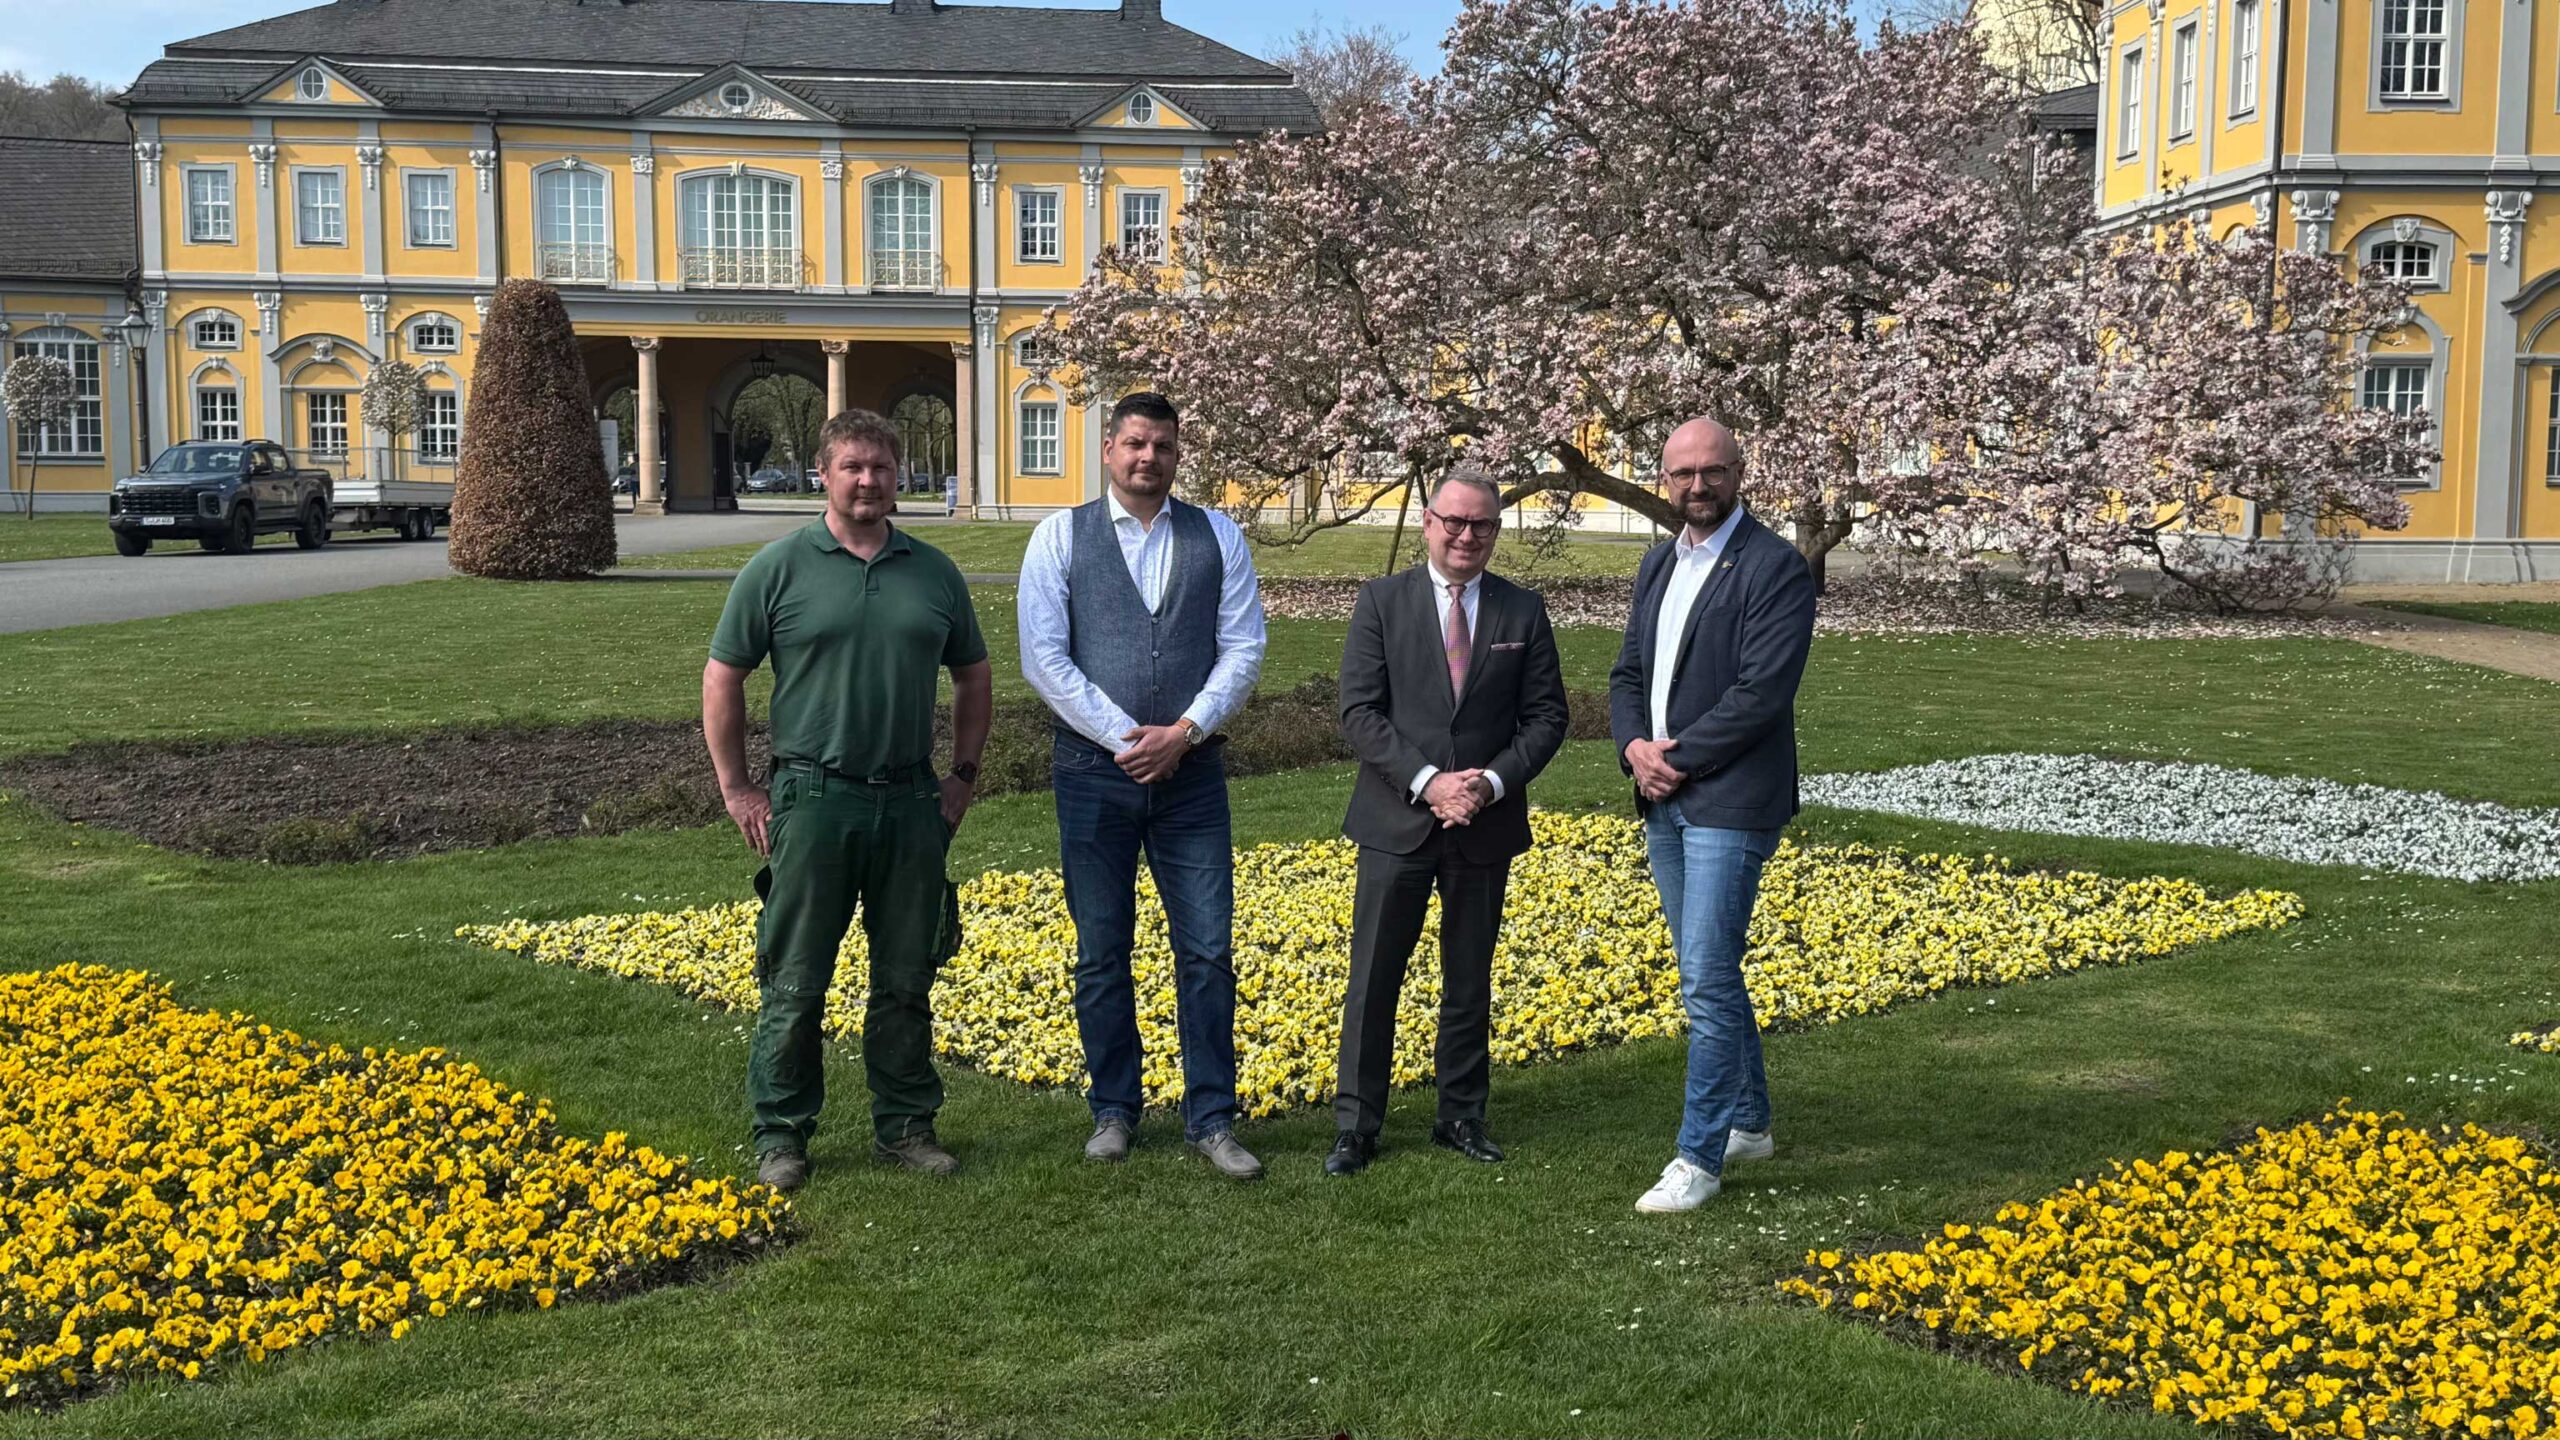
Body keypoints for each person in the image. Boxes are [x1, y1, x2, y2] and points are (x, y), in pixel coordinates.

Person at [704, 408, 993, 1193]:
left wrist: (962, 776)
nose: (868, 481)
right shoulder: (778, 568)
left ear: (898, 476)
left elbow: (973, 675)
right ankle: (782, 1134)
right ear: (823, 475)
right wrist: (738, 788)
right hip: (813, 799)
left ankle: (906, 1125)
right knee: (795, 979)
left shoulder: (933, 573)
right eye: (852, 467)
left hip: (910, 800)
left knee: (906, 976)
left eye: (881, 467)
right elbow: (724, 677)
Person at [1017, 391, 1269, 1179]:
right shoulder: (1060, 536)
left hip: (1192, 776)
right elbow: (1044, 658)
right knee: (1102, 949)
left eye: (1161, 445)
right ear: (1108, 449)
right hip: (1094, 774)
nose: (1146, 458)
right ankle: (1114, 1109)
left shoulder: (1217, 534)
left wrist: (1184, 733)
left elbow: (1244, 646)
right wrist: (1130, 740)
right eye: (1133, 443)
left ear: (1176, 453)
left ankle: (1212, 1118)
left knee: (1208, 950)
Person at [1325, 464, 1569, 1177]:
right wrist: (1430, 783)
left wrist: (1488, 784)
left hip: (1483, 825)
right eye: (1454, 521)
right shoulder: (1381, 601)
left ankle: (1460, 1115)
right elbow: (1359, 712)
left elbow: (1547, 717)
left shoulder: (1523, 611)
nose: (1466, 535)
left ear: (1496, 531)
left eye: (1481, 524)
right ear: (1428, 523)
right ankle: (1357, 1125)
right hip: (1396, 821)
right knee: (1374, 978)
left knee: (1469, 977)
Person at [1607, 416, 1817, 1215]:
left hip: (1729, 799)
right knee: (1713, 972)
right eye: (1683, 473)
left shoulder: (1774, 566)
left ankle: (1698, 1157)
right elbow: (1628, 673)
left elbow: (1762, 693)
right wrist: (1634, 748)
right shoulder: (1659, 563)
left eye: (1713, 471)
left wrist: (1676, 758)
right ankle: (1750, 1123)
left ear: (1739, 473)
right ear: (1665, 480)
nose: (1698, 485)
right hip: (1664, 793)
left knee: (1704, 976)